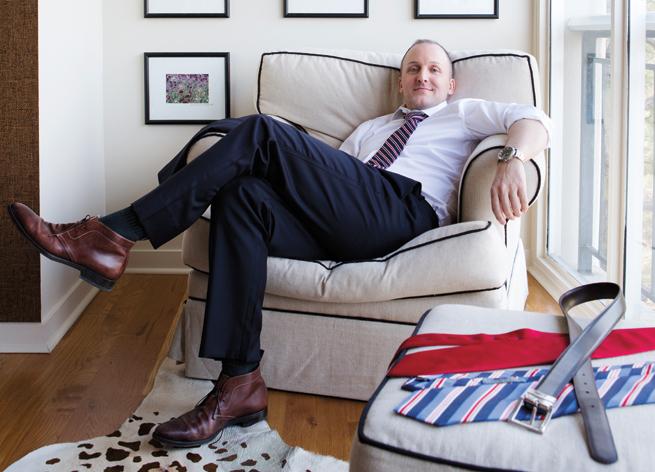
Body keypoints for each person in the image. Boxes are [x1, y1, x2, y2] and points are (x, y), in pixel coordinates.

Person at [8, 39, 550, 447]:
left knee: (263, 130)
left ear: (451, 84)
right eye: (413, 68)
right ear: (400, 84)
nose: (422, 75)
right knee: (242, 195)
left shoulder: (462, 113)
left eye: (434, 69)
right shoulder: (369, 130)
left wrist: (513, 158)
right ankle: (239, 382)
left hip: (402, 213)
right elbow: (329, 186)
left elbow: (533, 119)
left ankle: (117, 232)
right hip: (346, 221)